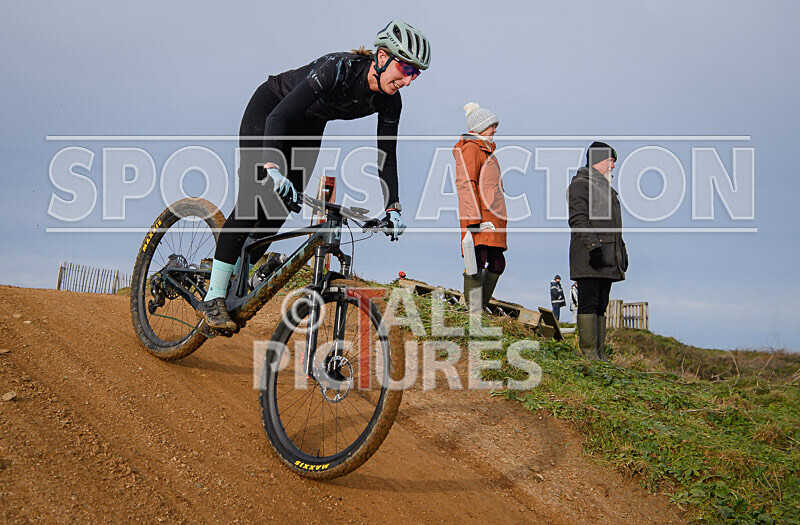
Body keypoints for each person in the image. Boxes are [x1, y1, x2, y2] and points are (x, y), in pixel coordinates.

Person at [196, 21, 431, 329]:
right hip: (271, 111)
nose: (408, 80)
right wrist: (270, 166)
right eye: (405, 69)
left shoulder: (390, 101)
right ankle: (213, 296)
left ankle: (235, 274)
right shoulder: (338, 68)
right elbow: (279, 115)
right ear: (383, 57)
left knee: (279, 209)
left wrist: (393, 207)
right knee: (254, 200)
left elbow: (387, 156)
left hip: (309, 127)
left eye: (415, 74)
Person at [568, 141, 628, 361]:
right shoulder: (580, 185)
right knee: (589, 302)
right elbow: (577, 219)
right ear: (597, 161)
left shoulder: (608, 189)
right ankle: (588, 355)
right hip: (589, 256)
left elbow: (614, 228)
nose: (612, 166)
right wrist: (593, 247)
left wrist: (622, 251)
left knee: (601, 305)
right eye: (609, 161)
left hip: (609, 256)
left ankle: (600, 356)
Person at [453, 102, 507, 314]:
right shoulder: (471, 149)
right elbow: (466, 184)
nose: (495, 130)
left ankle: (479, 307)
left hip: (494, 219)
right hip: (481, 218)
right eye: (492, 125)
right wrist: (473, 220)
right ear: (479, 127)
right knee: (477, 259)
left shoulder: (486, 150)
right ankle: (473, 309)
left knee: (497, 263)